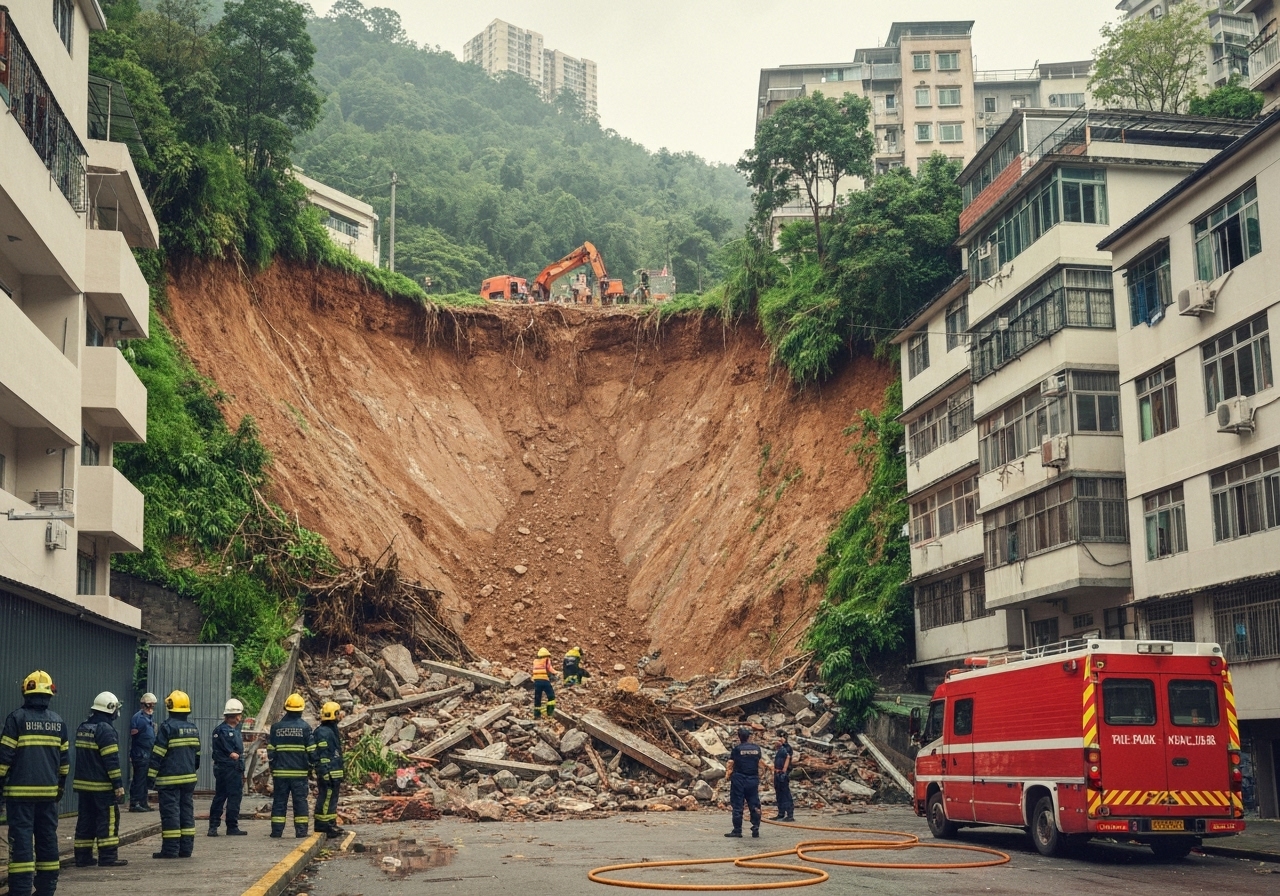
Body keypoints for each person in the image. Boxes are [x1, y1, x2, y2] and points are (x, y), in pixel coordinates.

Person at [0, 671, 69, 896]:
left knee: (21, 843)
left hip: (19, 796)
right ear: (50, 693)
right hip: (48, 795)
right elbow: (65, 763)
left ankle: (19, 890)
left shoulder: (16, 719)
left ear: (26, 691)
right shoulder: (58, 722)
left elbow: (4, 758)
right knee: (47, 840)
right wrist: (59, 787)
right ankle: (47, 889)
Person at [72, 691, 127, 868]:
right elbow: (111, 761)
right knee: (108, 820)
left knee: (86, 820)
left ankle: (82, 857)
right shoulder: (106, 730)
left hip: (83, 785)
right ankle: (108, 857)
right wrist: (118, 785)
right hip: (102, 786)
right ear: (110, 709)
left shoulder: (83, 727)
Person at [149, 690, 200, 859]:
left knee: (171, 813)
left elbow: (158, 754)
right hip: (189, 779)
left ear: (170, 707)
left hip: (169, 780)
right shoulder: (193, 729)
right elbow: (197, 757)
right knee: (186, 812)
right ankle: (186, 849)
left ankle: (170, 850)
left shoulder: (167, 727)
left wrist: (150, 777)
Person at [268, 693, 315, 838]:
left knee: (279, 802)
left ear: (286, 708)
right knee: (300, 802)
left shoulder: (276, 728)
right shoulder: (306, 728)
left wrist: (274, 766)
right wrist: (311, 767)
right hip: (299, 774)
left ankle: (276, 831)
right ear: (301, 710)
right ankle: (301, 832)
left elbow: (271, 751)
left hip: (280, 774)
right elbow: (312, 752)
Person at [208, 698, 247, 837]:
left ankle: (214, 826)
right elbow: (233, 753)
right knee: (233, 797)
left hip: (226, 768)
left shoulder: (226, 730)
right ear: (236, 716)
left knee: (221, 796)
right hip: (230, 768)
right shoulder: (225, 731)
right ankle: (231, 826)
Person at [724, 726, 763, 839]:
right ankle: (755, 827)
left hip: (739, 779)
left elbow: (731, 763)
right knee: (754, 804)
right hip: (753, 779)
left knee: (737, 804)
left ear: (739, 737)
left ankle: (737, 830)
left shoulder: (737, 749)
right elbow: (760, 764)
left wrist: (727, 776)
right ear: (749, 736)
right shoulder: (756, 749)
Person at [313, 701, 345, 837]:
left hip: (333, 772)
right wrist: (325, 772)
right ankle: (324, 826)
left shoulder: (329, 730)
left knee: (331, 799)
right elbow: (323, 754)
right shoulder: (324, 732)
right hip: (329, 772)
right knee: (326, 799)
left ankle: (331, 823)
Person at [128, 692, 157, 812]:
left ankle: (143, 802)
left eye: (152, 705)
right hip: (140, 754)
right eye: (149, 705)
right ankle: (135, 803)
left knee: (144, 780)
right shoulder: (138, 718)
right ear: (144, 705)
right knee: (139, 779)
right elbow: (134, 734)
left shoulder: (149, 718)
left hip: (147, 753)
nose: (151, 708)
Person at [771, 732, 794, 822]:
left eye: (782, 737)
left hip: (783, 774)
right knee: (779, 794)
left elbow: (788, 758)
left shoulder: (787, 748)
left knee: (785, 794)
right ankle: (781, 813)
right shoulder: (779, 749)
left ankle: (790, 814)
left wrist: (784, 771)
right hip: (777, 773)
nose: (780, 739)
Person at [531, 648, 557, 719]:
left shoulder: (535, 661)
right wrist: (556, 672)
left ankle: (537, 715)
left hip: (536, 682)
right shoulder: (546, 660)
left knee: (537, 698)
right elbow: (550, 668)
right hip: (544, 681)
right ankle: (549, 712)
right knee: (551, 696)